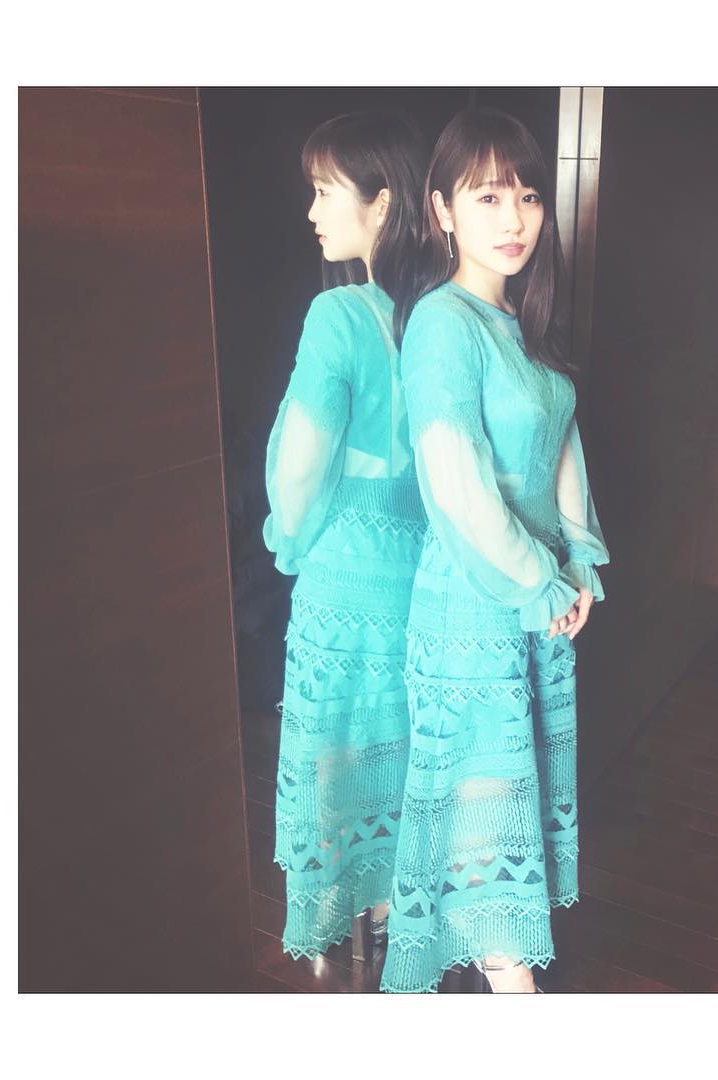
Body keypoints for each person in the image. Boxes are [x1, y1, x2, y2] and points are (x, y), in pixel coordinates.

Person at [380, 107, 611, 994]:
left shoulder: (523, 323)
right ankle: (510, 979)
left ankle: (503, 962)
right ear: (442, 209)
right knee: (483, 794)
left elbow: (562, 453)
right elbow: (456, 484)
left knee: (512, 790)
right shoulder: (443, 323)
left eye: (527, 196)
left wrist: (579, 563)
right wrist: (539, 583)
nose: (514, 218)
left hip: (536, 600)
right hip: (475, 606)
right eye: (487, 197)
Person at [263, 111, 427, 964]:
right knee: (410, 758)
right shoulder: (450, 316)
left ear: (383, 202)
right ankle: (410, 915)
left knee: (339, 768)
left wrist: (288, 540)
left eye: (326, 192)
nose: (312, 211)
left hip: (342, 581)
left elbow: (302, 459)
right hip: (427, 585)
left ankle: (359, 928)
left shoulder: (339, 316)